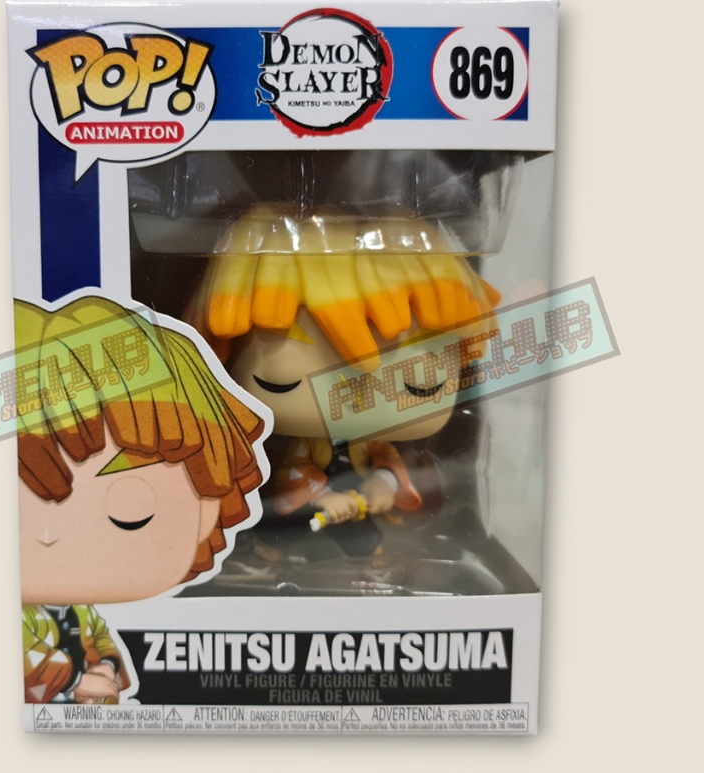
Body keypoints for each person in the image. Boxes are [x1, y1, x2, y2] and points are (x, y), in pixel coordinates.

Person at [188, 207, 499, 561]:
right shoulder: (303, 446)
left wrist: (384, 483)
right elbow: (290, 471)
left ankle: (366, 562)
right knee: (279, 529)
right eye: (282, 381)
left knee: (365, 541)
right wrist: (323, 496)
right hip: (305, 507)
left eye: (420, 385)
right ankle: (266, 550)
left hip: (355, 503)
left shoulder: (373, 443)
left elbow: (389, 462)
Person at [16, 295, 265, 703]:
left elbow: (101, 639)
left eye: (129, 512)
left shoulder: (80, 611)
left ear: (208, 505)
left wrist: (107, 667)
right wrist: (76, 682)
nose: (46, 535)